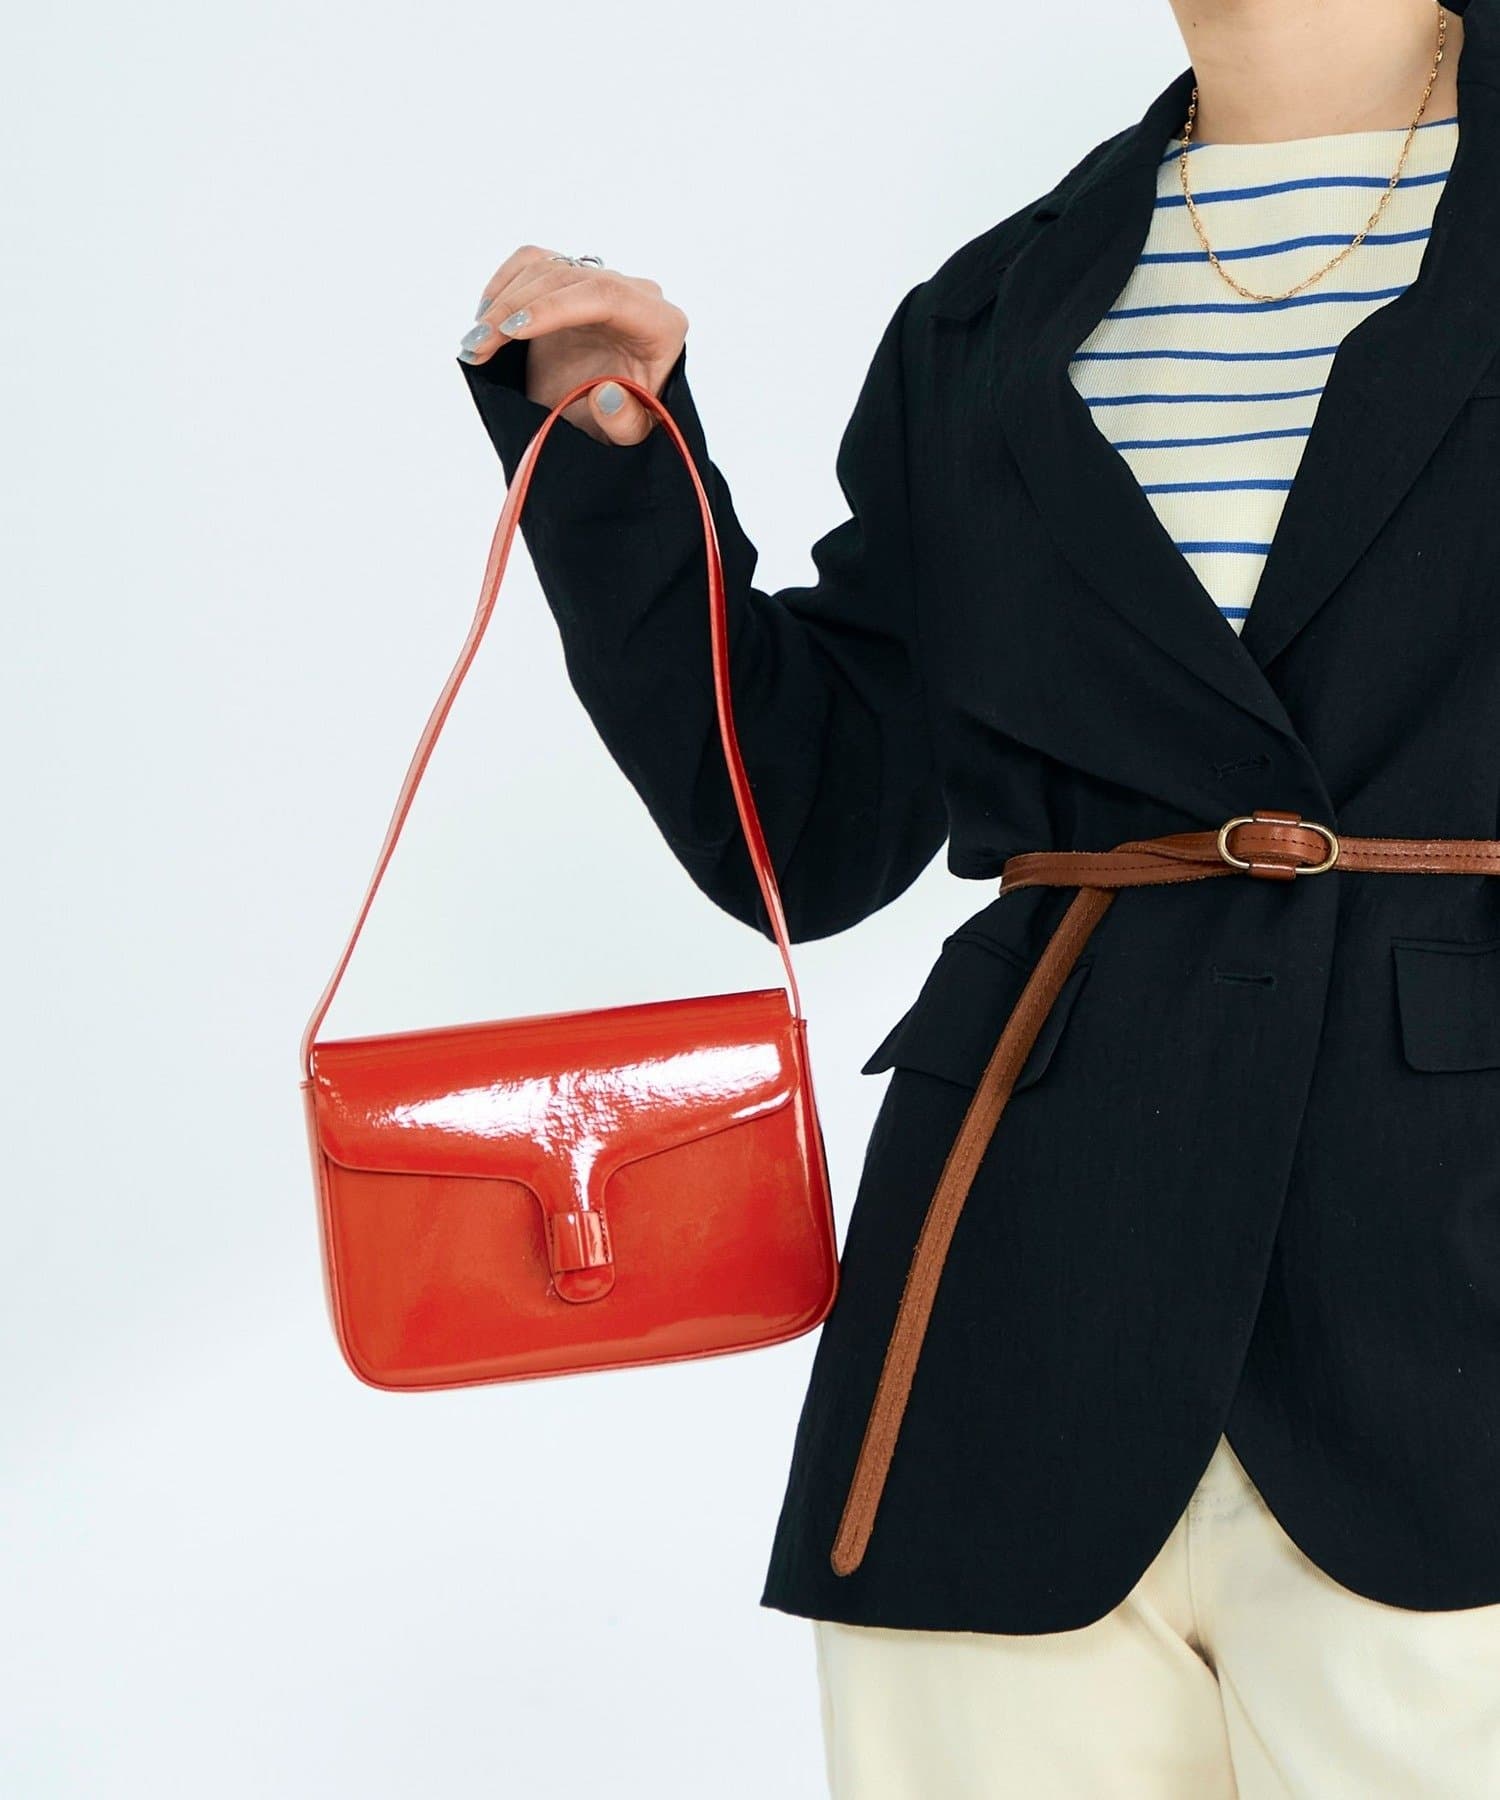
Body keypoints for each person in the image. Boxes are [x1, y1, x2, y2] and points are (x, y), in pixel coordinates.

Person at [455, 0, 1500, 1791]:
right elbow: (812, 821)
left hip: (1453, 1312)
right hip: (1011, 1321)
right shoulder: (994, 309)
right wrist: (620, 470)